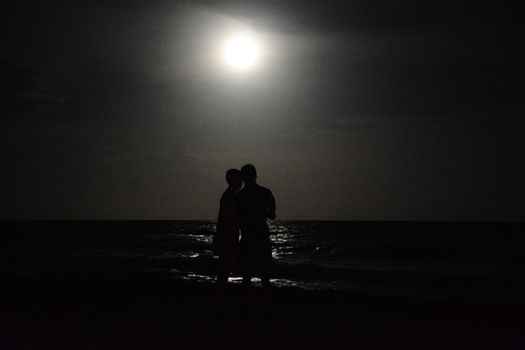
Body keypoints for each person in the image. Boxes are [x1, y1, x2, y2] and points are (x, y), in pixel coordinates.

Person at [236, 164, 276, 290]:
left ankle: (246, 303)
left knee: (246, 275)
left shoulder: (239, 196)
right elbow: (272, 215)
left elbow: (236, 219)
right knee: (264, 275)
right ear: (255, 176)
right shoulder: (265, 192)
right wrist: (260, 212)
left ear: (243, 177)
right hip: (261, 236)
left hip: (247, 237)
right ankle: (265, 303)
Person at [213, 168, 242, 295]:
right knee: (225, 269)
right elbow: (232, 218)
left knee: (224, 269)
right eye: (239, 179)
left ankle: (219, 295)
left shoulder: (228, 195)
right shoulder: (230, 196)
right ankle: (219, 296)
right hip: (227, 237)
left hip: (226, 236)